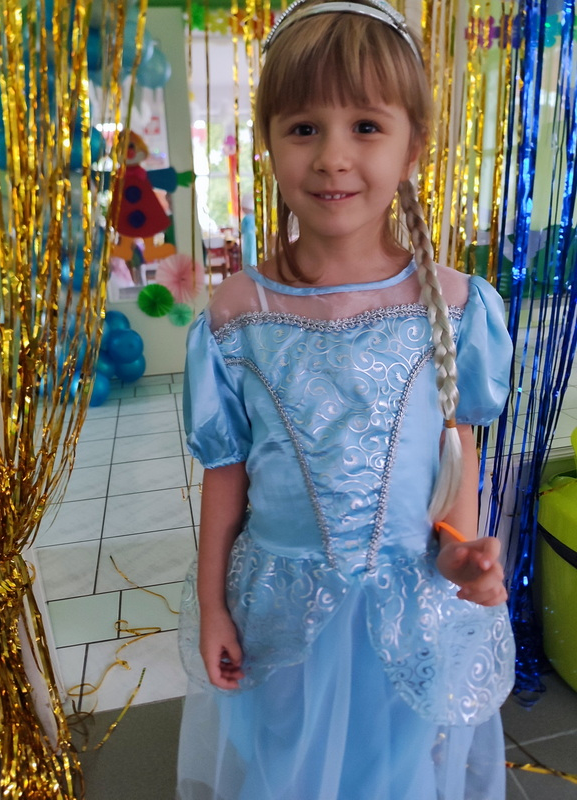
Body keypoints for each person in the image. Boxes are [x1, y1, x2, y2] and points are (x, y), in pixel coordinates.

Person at [177, 1, 515, 798]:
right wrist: (212, 606)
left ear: (412, 146)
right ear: (269, 142)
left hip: (407, 611)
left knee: (396, 773)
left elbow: (455, 465)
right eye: (304, 128)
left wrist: (461, 556)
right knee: (285, 768)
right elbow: (226, 474)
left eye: (366, 126)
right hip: (281, 617)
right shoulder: (238, 313)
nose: (333, 157)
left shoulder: (456, 306)